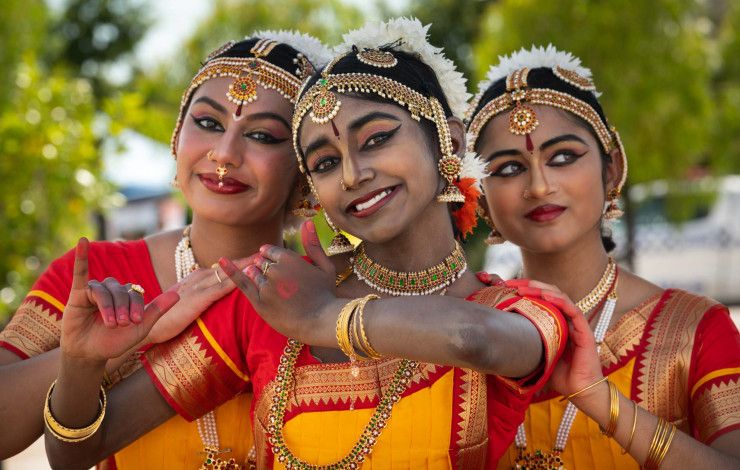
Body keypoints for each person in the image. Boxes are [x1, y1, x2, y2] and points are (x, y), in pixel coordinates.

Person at [43, 19, 571, 470]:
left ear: (448, 144)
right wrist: (82, 365)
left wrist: (323, 319)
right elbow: (78, 451)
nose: (353, 173)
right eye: (323, 162)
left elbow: (469, 341)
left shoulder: (522, 310)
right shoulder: (269, 303)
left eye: (377, 138)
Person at [0, 31, 331, 468]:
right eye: (209, 124)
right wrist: (124, 344)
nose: (225, 154)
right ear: (178, 138)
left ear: (304, 169)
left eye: (263, 136)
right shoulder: (99, 275)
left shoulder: (321, 292)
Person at [464, 45, 740, 468]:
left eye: (563, 158)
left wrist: (598, 398)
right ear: (481, 198)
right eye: (508, 168)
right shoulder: (466, 335)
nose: (539, 186)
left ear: (611, 168)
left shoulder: (694, 331)